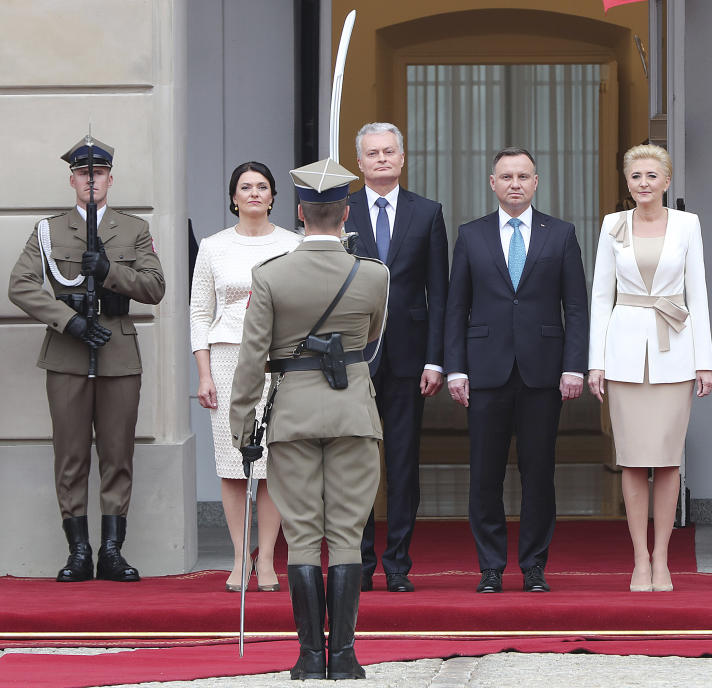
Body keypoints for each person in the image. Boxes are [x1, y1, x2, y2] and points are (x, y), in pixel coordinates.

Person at [230, 157, 388, 680]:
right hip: (352, 413)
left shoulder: (271, 276)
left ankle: (308, 657)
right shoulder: (373, 275)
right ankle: (343, 656)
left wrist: (242, 425)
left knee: (301, 536)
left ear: (300, 212)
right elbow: (369, 337)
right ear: (346, 212)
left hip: (293, 412)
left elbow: (253, 358)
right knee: (345, 534)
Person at [8, 136, 165, 582]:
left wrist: (109, 271)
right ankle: (78, 551)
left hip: (116, 349)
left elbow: (155, 288)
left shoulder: (132, 229)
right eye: (83, 173)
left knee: (117, 454)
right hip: (68, 350)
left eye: (98, 173)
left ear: (110, 179)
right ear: (72, 179)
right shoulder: (48, 230)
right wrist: (68, 321)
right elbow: (20, 286)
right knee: (71, 455)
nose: (90, 180)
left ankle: (112, 551)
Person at [444, 147, 588, 594]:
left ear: (536, 181)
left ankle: (533, 566)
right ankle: (489, 566)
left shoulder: (560, 234)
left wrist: (574, 367)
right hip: (485, 369)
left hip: (543, 371)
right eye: (506, 176)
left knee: (538, 472)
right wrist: (455, 369)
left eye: (523, 176)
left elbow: (577, 308)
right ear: (492, 183)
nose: (515, 184)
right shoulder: (471, 235)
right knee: (484, 473)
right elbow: (456, 307)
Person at [587, 144, 712, 593]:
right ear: (627, 182)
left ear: (666, 180)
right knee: (632, 461)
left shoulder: (687, 225)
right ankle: (639, 560)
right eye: (635, 175)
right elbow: (601, 296)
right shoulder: (611, 226)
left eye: (651, 175)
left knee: (667, 462)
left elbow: (697, 294)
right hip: (623, 357)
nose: (643, 183)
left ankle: (663, 558)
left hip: (674, 354)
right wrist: (596, 363)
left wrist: (705, 362)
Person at [345, 122, 449, 594]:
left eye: (389, 152)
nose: (382, 159)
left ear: (402, 159)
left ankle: (399, 564)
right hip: (352, 356)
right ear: (360, 161)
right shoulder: (340, 211)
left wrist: (436, 360)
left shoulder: (427, 213)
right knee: (357, 460)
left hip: (410, 355)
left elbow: (440, 293)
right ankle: (361, 563)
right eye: (373, 153)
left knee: (404, 463)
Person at [190, 161, 300, 592]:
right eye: (245, 187)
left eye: (262, 186)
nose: (254, 193)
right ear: (233, 197)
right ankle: (238, 557)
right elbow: (200, 312)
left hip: (278, 360)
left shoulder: (294, 245)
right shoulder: (213, 246)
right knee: (234, 464)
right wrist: (203, 373)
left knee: (273, 463)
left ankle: (268, 558)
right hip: (227, 358)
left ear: (273, 196)